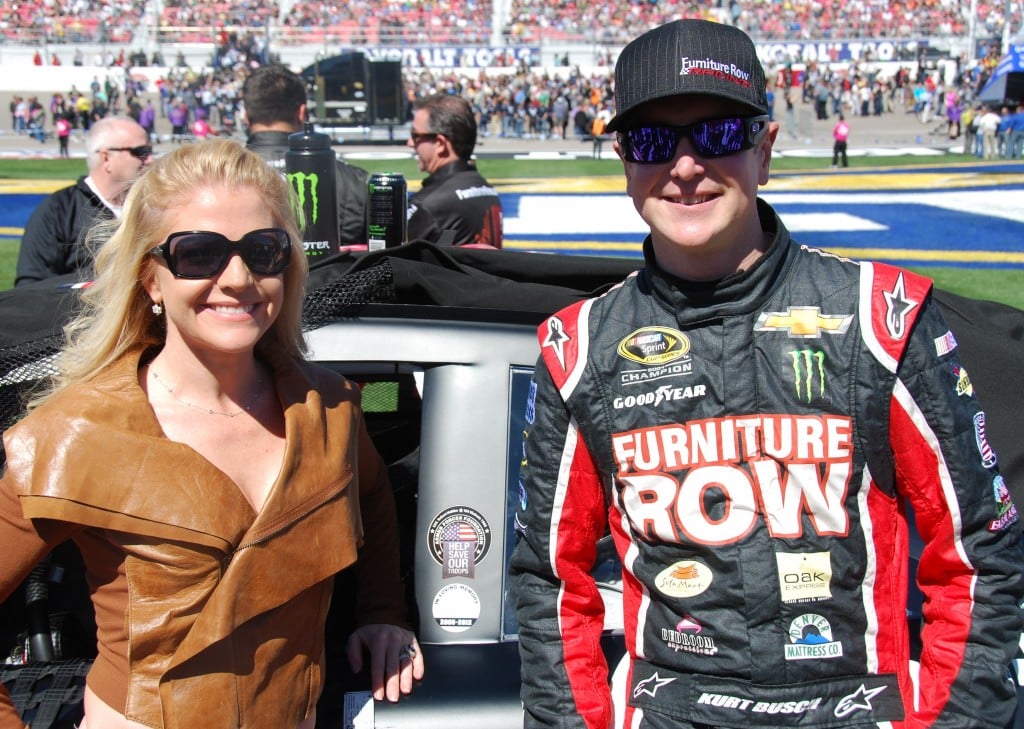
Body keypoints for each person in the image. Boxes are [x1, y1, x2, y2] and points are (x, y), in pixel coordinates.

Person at [510, 19, 1024, 729]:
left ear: (765, 148)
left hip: (855, 708)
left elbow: (978, 555)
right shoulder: (580, 346)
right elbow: (549, 585)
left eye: (717, 133)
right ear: (627, 161)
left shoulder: (883, 317)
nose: (684, 166)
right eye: (654, 141)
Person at [0, 139, 424, 728]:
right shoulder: (73, 432)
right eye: (198, 253)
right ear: (150, 279)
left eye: (263, 250)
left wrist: (384, 612)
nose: (238, 278)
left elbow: (373, 499)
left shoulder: (329, 409)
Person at [15, 116, 153, 286]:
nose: (150, 160)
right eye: (140, 152)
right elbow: (31, 288)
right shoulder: (58, 212)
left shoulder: (155, 207)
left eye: (149, 152)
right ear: (106, 158)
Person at [242, 64, 369, 248]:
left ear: (246, 117)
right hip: (330, 275)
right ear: (302, 113)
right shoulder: (353, 181)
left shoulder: (216, 179)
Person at [406, 94, 503, 248]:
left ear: (440, 144)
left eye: (416, 136)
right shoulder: (487, 190)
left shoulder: (427, 205)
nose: (410, 143)